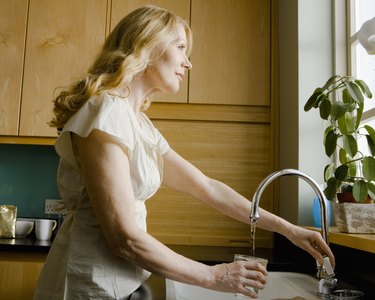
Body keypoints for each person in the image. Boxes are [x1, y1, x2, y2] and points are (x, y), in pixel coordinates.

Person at [34, 5, 335, 300]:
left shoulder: (138, 123)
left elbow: (207, 187)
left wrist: (289, 229)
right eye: (180, 47)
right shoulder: (106, 111)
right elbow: (123, 238)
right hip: (85, 287)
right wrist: (215, 276)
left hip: (119, 283)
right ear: (148, 46)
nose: (188, 63)